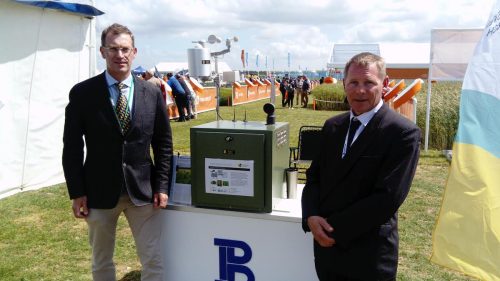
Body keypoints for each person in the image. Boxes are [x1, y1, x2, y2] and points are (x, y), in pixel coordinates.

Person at [62, 23, 173, 281]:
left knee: (153, 259)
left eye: (124, 49)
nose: (119, 55)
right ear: (102, 51)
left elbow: (163, 143)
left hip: (144, 192)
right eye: (113, 49)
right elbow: (72, 146)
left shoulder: (152, 92)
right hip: (98, 192)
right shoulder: (83, 93)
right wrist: (77, 192)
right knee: (101, 262)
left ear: (134, 52)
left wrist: (163, 186)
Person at [301, 52, 420, 281]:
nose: (360, 90)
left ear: (384, 84)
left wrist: (332, 229)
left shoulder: (402, 133)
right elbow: (314, 177)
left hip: (369, 255)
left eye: (369, 83)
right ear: (344, 83)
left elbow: (387, 197)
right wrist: (310, 216)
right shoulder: (332, 126)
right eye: (353, 82)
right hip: (327, 253)